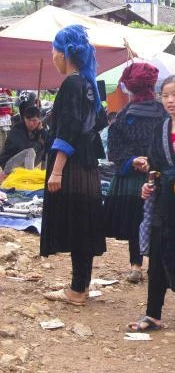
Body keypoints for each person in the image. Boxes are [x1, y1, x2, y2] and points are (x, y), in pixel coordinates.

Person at [127, 75, 175, 332]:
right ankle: (153, 314)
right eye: (165, 95)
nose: (170, 100)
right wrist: (149, 183)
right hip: (165, 203)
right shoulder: (160, 127)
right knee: (158, 254)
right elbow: (155, 165)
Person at [41, 25, 107, 306]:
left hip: (71, 169)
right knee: (84, 224)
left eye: (53, 50)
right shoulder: (89, 83)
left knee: (77, 226)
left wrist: (57, 170)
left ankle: (77, 291)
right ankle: (81, 285)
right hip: (88, 168)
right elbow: (98, 123)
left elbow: (68, 129)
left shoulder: (71, 84)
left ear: (64, 53)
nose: (52, 56)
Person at [104, 63, 165, 283]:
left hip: (133, 177)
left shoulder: (122, 116)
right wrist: (148, 160)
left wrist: (133, 160)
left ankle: (136, 266)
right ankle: (155, 267)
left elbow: (115, 148)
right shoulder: (164, 113)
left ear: (130, 87)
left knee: (134, 223)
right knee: (158, 220)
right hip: (159, 175)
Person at [0, 104, 47, 178]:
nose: (31, 124)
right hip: (8, 164)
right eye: (29, 120)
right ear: (24, 119)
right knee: (30, 151)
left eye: (34, 120)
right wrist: (39, 143)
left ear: (39, 120)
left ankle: (45, 176)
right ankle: (28, 179)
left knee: (47, 148)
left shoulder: (39, 129)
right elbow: (24, 148)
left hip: (25, 163)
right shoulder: (17, 129)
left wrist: (41, 130)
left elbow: (50, 143)